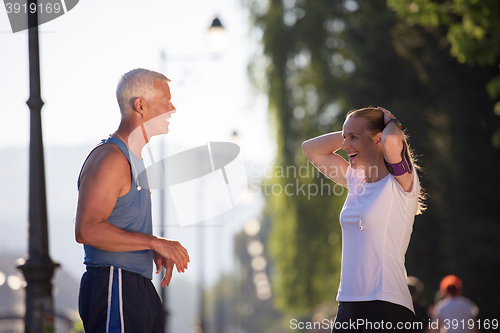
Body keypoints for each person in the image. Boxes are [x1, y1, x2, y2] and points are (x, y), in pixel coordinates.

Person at [74, 68, 190, 332]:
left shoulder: (134, 160)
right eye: (165, 101)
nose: (173, 108)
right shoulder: (111, 158)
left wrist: (151, 251)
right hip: (114, 284)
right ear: (140, 105)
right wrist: (154, 242)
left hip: (136, 286)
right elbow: (86, 229)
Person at [302, 107, 426, 332]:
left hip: (387, 304)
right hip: (348, 303)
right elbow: (310, 149)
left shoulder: (401, 182)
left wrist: (391, 121)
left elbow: (391, 141)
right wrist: (350, 134)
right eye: (345, 137)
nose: (346, 146)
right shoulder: (355, 180)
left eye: (354, 138)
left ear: (377, 138)